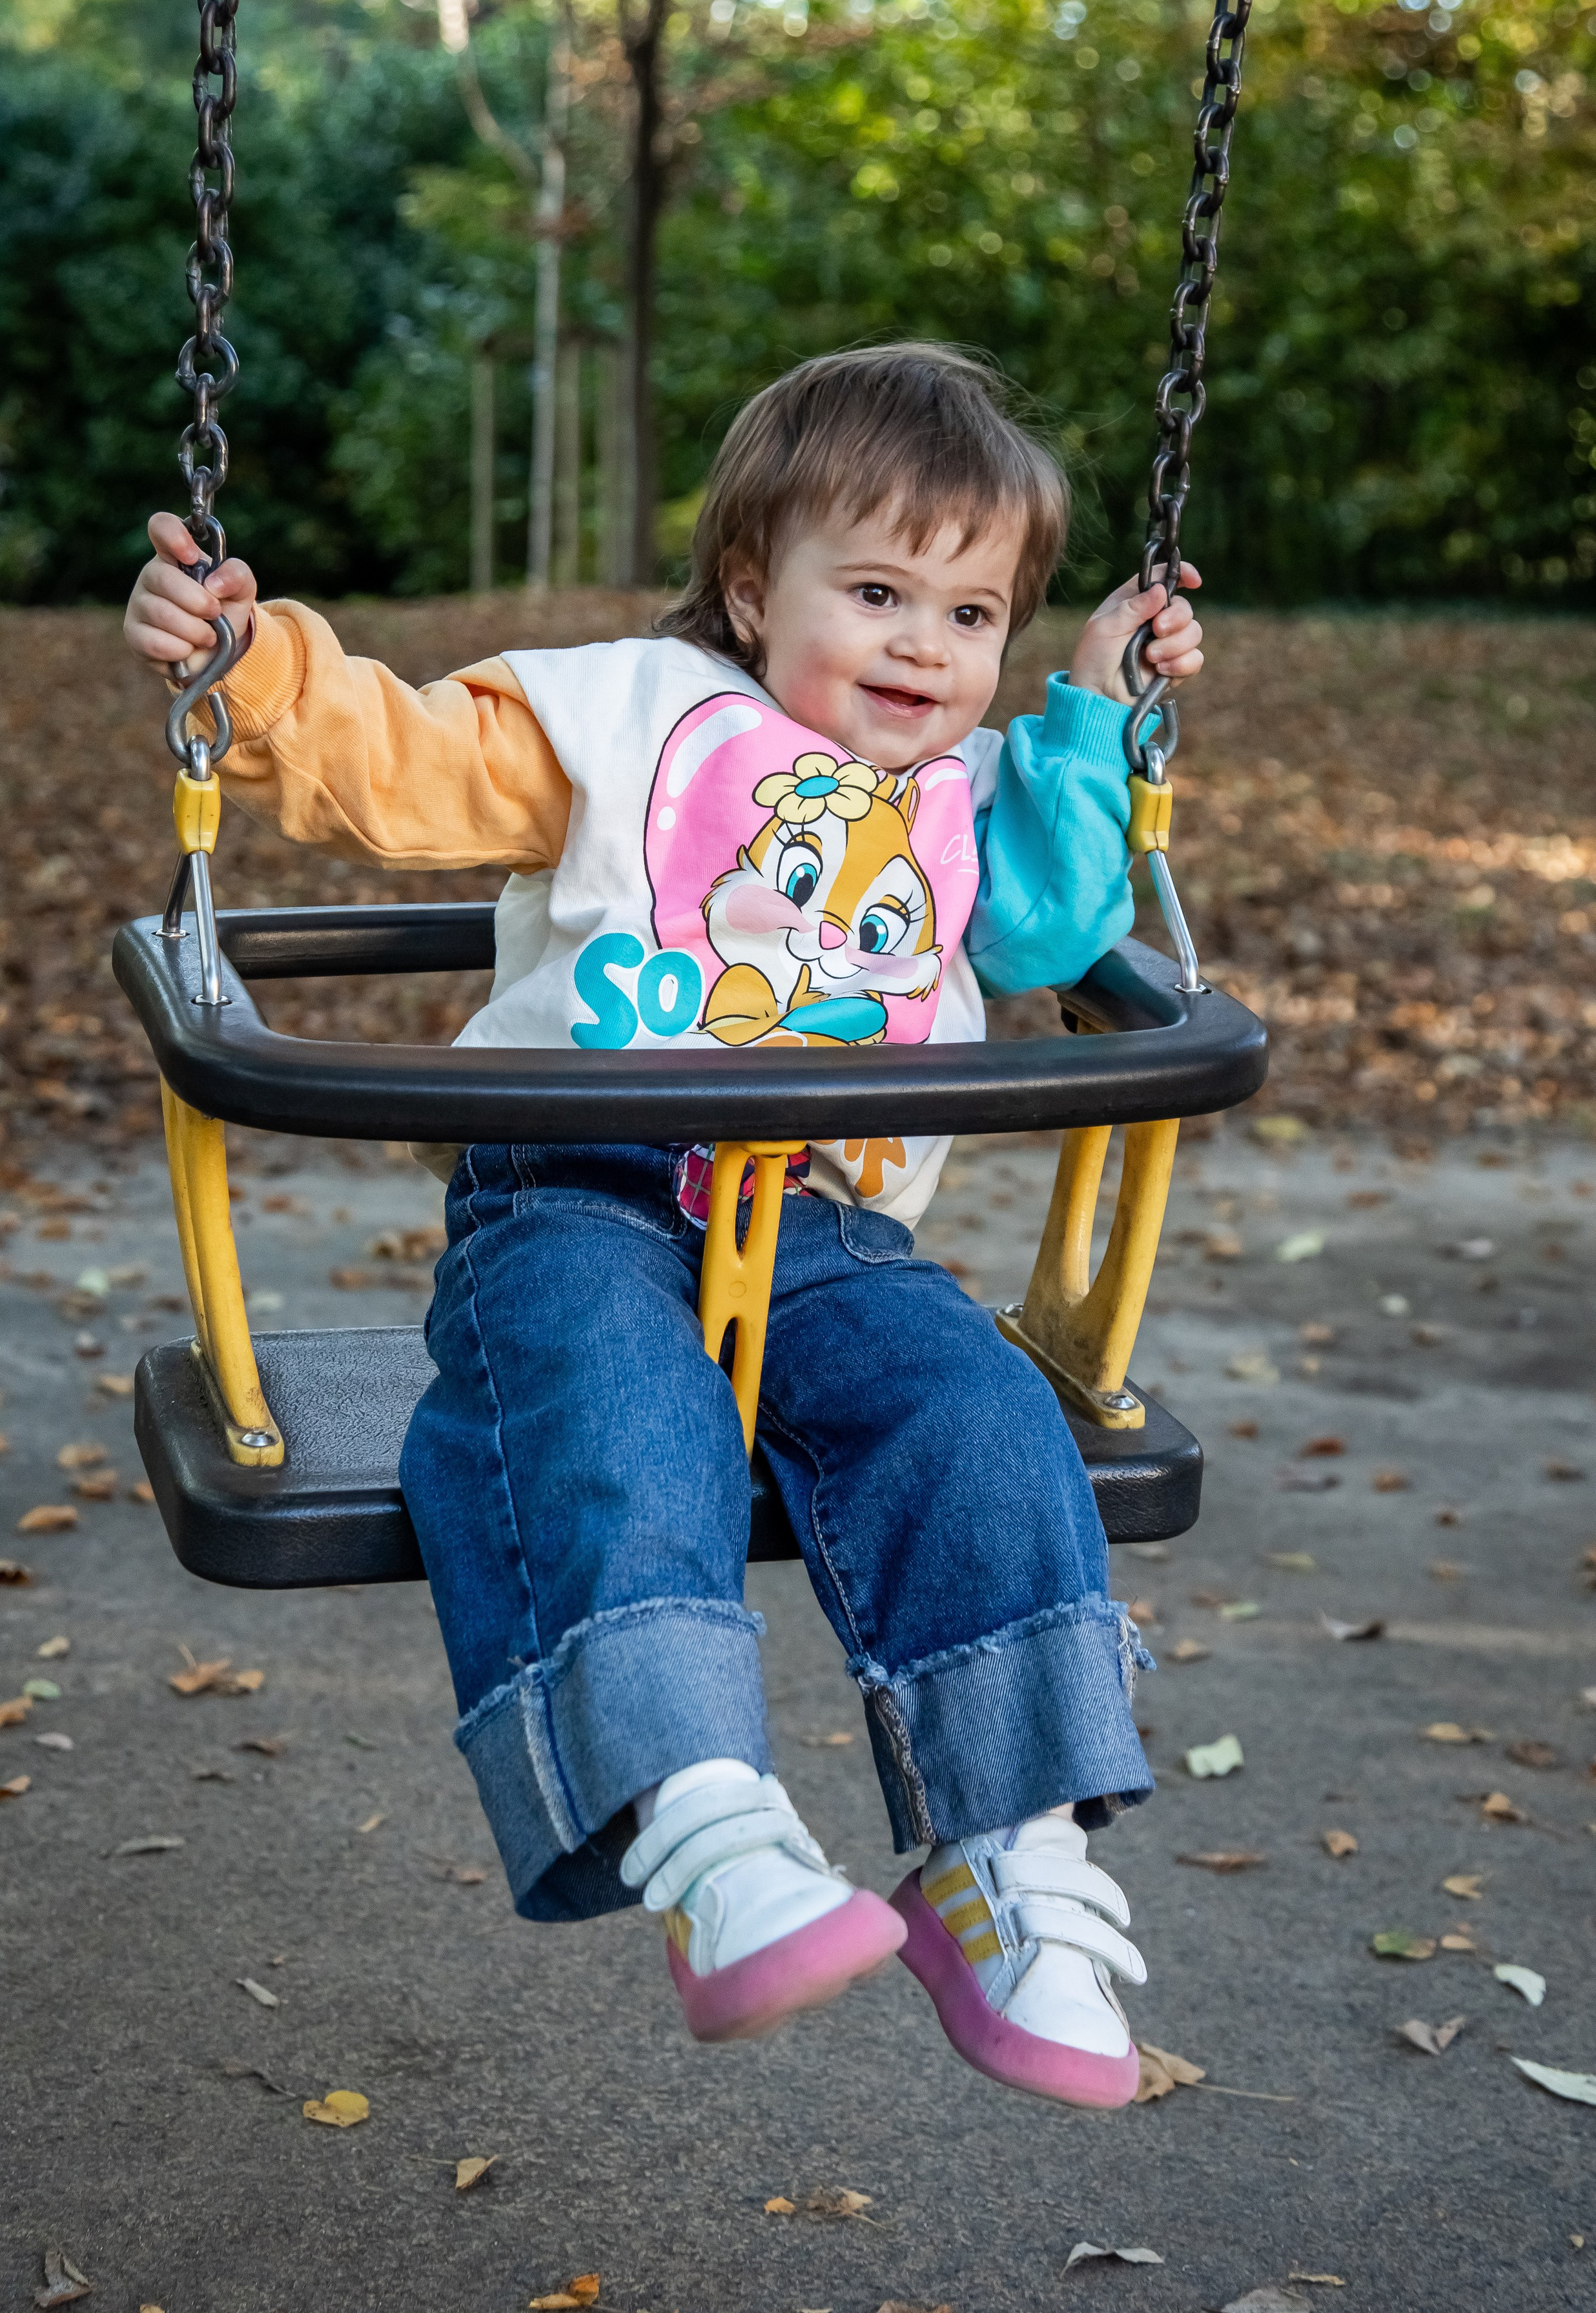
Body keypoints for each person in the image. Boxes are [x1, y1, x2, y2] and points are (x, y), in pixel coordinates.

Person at [123, 344, 1204, 2111]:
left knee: (986, 1423)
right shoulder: (626, 718)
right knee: (617, 1423)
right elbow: (400, 767)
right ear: (744, 586)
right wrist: (252, 674)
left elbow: (1048, 930)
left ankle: (1004, 1862)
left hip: (830, 1222)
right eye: (875, 592)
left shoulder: (974, 787)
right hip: (578, 1190)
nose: (927, 647)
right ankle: (707, 1837)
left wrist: (1096, 707)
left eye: (975, 609)